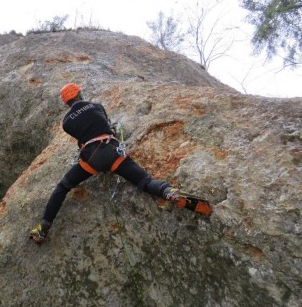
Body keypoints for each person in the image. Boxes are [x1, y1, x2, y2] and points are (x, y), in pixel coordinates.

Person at [30, 83, 211, 244]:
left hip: (91, 158)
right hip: (112, 152)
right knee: (145, 181)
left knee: (63, 186)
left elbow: (81, 138)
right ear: (79, 94)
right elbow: (106, 126)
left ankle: (43, 228)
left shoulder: (66, 122)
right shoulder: (96, 106)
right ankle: (169, 192)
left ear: (66, 101)